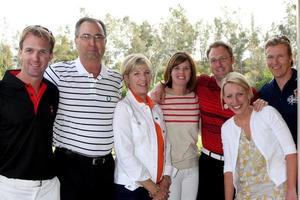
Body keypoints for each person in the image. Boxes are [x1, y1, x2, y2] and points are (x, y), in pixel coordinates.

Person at [44, 17, 122, 200]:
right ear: (76, 40)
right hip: (69, 169)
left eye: (98, 36)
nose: (93, 43)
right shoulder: (57, 73)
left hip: (105, 169)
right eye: (86, 36)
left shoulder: (116, 79)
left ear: (105, 42)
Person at [0, 25, 60, 200]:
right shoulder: (2, 91)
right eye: (29, 50)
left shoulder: (52, 92)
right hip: (9, 187)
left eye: (42, 52)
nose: (35, 58)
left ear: (50, 56)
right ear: (20, 52)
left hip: (49, 187)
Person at [221, 71, 297, 199]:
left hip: (276, 191)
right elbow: (229, 169)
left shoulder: (267, 113)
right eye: (229, 96)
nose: (235, 101)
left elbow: (290, 152)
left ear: (249, 93)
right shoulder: (226, 128)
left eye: (240, 94)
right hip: (245, 194)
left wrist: (291, 190)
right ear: (224, 99)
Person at [113, 53, 172, 200]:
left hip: (157, 186)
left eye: (147, 73)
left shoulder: (156, 108)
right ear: (127, 78)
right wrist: (153, 188)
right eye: (136, 73)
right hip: (133, 189)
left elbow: (166, 146)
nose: (143, 78)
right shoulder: (124, 108)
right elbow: (124, 153)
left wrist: (166, 178)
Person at [159, 52, 200, 200]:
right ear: (170, 71)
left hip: (192, 167)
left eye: (186, 68)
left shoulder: (195, 98)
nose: (181, 72)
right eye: (176, 68)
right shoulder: (159, 97)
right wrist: (159, 86)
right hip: (168, 170)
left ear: (192, 72)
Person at [259, 35, 297, 144]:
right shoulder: (264, 92)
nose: (275, 62)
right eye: (270, 57)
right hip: (277, 158)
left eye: (280, 56)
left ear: (290, 57)